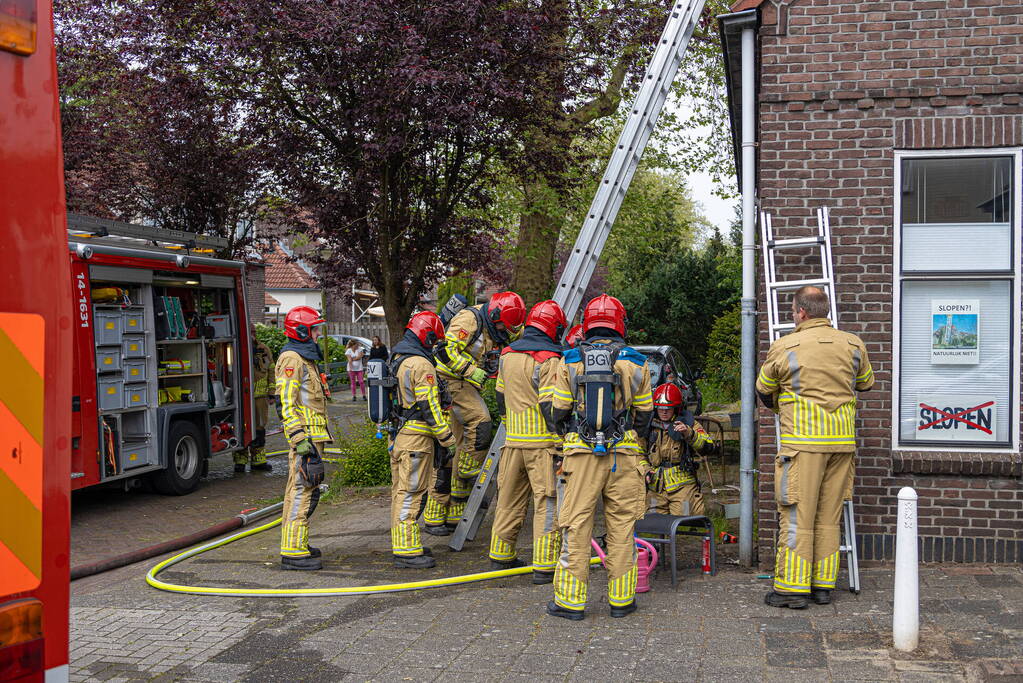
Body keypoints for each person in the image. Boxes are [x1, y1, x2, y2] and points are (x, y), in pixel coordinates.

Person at [756, 285, 874, 608]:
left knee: (797, 516)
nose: (793, 316)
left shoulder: (786, 346)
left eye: (793, 311)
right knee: (828, 516)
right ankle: (823, 586)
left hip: (803, 445)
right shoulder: (853, 344)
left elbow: (763, 388)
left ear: (802, 313)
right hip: (842, 444)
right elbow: (866, 383)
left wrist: (783, 403)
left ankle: (792, 589)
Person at [548, 294, 653, 620]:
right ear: (620, 322)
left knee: (576, 525)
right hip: (624, 455)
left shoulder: (568, 360)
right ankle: (622, 602)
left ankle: (570, 603)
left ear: (588, 323)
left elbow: (558, 410)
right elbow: (645, 415)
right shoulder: (637, 361)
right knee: (622, 528)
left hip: (580, 456)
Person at [423, 291, 527, 535]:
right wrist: (471, 371)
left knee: (457, 447)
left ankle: (449, 515)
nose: (505, 330)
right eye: (502, 324)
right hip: (449, 381)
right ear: (493, 315)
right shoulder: (469, 320)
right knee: (480, 422)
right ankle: (469, 469)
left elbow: (517, 334)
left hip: (464, 383)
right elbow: (444, 351)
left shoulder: (498, 325)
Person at [488, 300, 567, 581]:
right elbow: (549, 406)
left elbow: (499, 396)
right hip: (542, 447)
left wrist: (510, 426)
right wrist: (562, 437)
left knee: (508, 500)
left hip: (512, 444)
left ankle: (500, 556)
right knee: (547, 503)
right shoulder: (549, 360)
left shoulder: (507, 354)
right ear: (553, 327)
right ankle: (544, 567)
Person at [388, 311, 456, 568]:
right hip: (417, 439)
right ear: (426, 335)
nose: (435, 345)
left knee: (400, 491)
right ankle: (406, 551)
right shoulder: (421, 364)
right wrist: (447, 438)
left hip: (400, 435)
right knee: (412, 492)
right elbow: (430, 406)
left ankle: (404, 542)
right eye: (434, 340)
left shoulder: (398, 358)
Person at [276, 306, 331, 571]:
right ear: (301, 331)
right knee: (301, 491)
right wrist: (299, 439)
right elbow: (286, 403)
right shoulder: (292, 359)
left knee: (302, 489)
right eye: (314, 329)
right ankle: (294, 552)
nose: (318, 334)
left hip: (312, 435)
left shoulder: (304, 358)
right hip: (305, 437)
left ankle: (295, 543)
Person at [641, 383, 713, 516]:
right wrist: (645, 470)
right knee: (652, 523)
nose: (663, 411)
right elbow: (638, 453)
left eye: (668, 408)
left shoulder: (688, 423)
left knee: (683, 520)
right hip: (656, 486)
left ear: (677, 408)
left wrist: (689, 434)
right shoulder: (648, 425)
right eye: (660, 408)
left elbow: (709, 447)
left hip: (682, 486)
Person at [235, 324, 275, 473]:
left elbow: (271, 371)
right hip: (241, 399)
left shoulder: (264, 349)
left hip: (260, 399)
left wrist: (272, 393)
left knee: (259, 429)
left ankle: (258, 461)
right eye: (249, 332)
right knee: (241, 428)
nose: (252, 335)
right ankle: (240, 460)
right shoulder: (236, 348)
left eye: (253, 332)